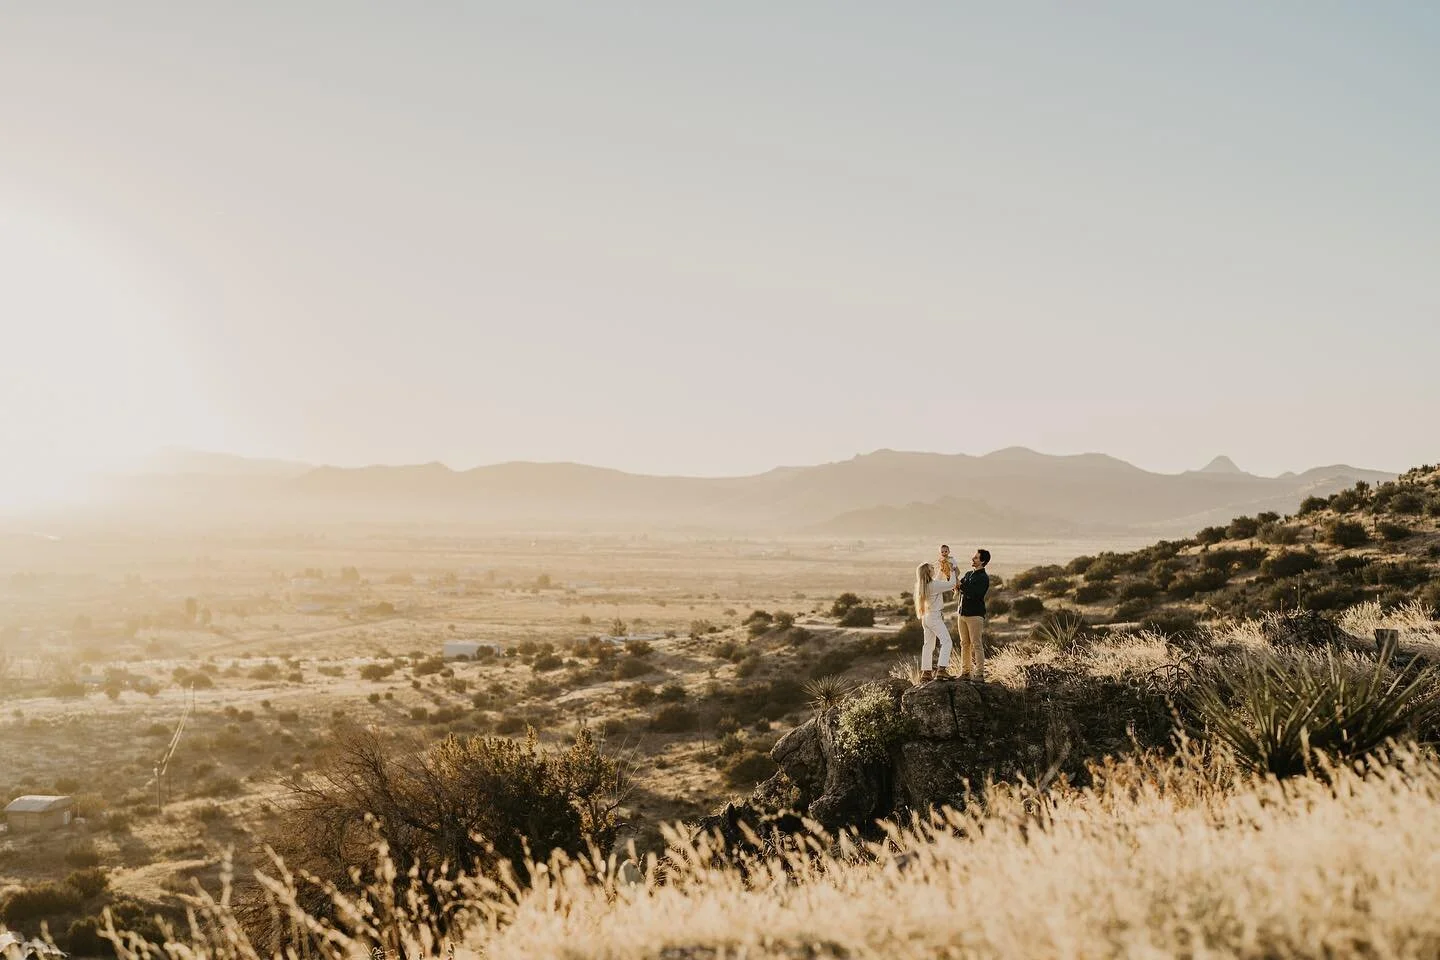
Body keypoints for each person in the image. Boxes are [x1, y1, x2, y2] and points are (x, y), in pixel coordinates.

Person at [914, 561, 957, 682]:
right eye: (932, 568)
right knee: (947, 642)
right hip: (934, 617)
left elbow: (936, 581)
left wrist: (941, 571)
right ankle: (941, 670)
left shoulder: (922, 585)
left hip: (926, 618)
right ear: (928, 572)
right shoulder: (933, 585)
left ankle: (926, 673)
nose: (934, 568)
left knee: (928, 645)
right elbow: (952, 584)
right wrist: (952, 570)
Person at [957, 548, 991, 681]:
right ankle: (965, 672)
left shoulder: (983, 578)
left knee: (976, 644)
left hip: (975, 615)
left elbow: (974, 593)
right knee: (964, 643)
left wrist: (961, 585)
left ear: (982, 561)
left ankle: (979, 674)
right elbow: (960, 587)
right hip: (962, 614)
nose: (973, 559)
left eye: (976, 558)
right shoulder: (968, 574)